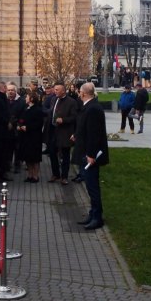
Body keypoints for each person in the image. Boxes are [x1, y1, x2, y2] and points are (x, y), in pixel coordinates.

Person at [73, 83, 109, 230]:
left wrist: (91, 154)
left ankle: (97, 217)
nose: (78, 94)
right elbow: (85, 127)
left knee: (93, 187)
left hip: (90, 155)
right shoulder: (89, 106)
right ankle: (92, 213)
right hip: (85, 152)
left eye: (79, 92)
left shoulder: (93, 108)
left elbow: (94, 134)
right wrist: (77, 135)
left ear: (83, 93)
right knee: (89, 186)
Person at [48, 82, 78, 185]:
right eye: (54, 89)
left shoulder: (71, 102)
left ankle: (64, 177)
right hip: (53, 131)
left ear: (63, 91)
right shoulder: (53, 99)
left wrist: (64, 120)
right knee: (52, 152)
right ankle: (55, 174)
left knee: (65, 155)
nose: (54, 91)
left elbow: (74, 117)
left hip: (65, 132)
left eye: (57, 90)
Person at [17, 91, 43, 183]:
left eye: (27, 97)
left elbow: (39, 124)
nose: (25, 99)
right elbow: (22, 119)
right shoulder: (26, 108)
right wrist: (20, 125)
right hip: (25, 137)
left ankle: (35, 176)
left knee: (35, 157)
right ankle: (30, 175)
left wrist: (27, 127)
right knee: (27, 157)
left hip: (34, 137)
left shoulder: (38, 110)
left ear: (31, 99)